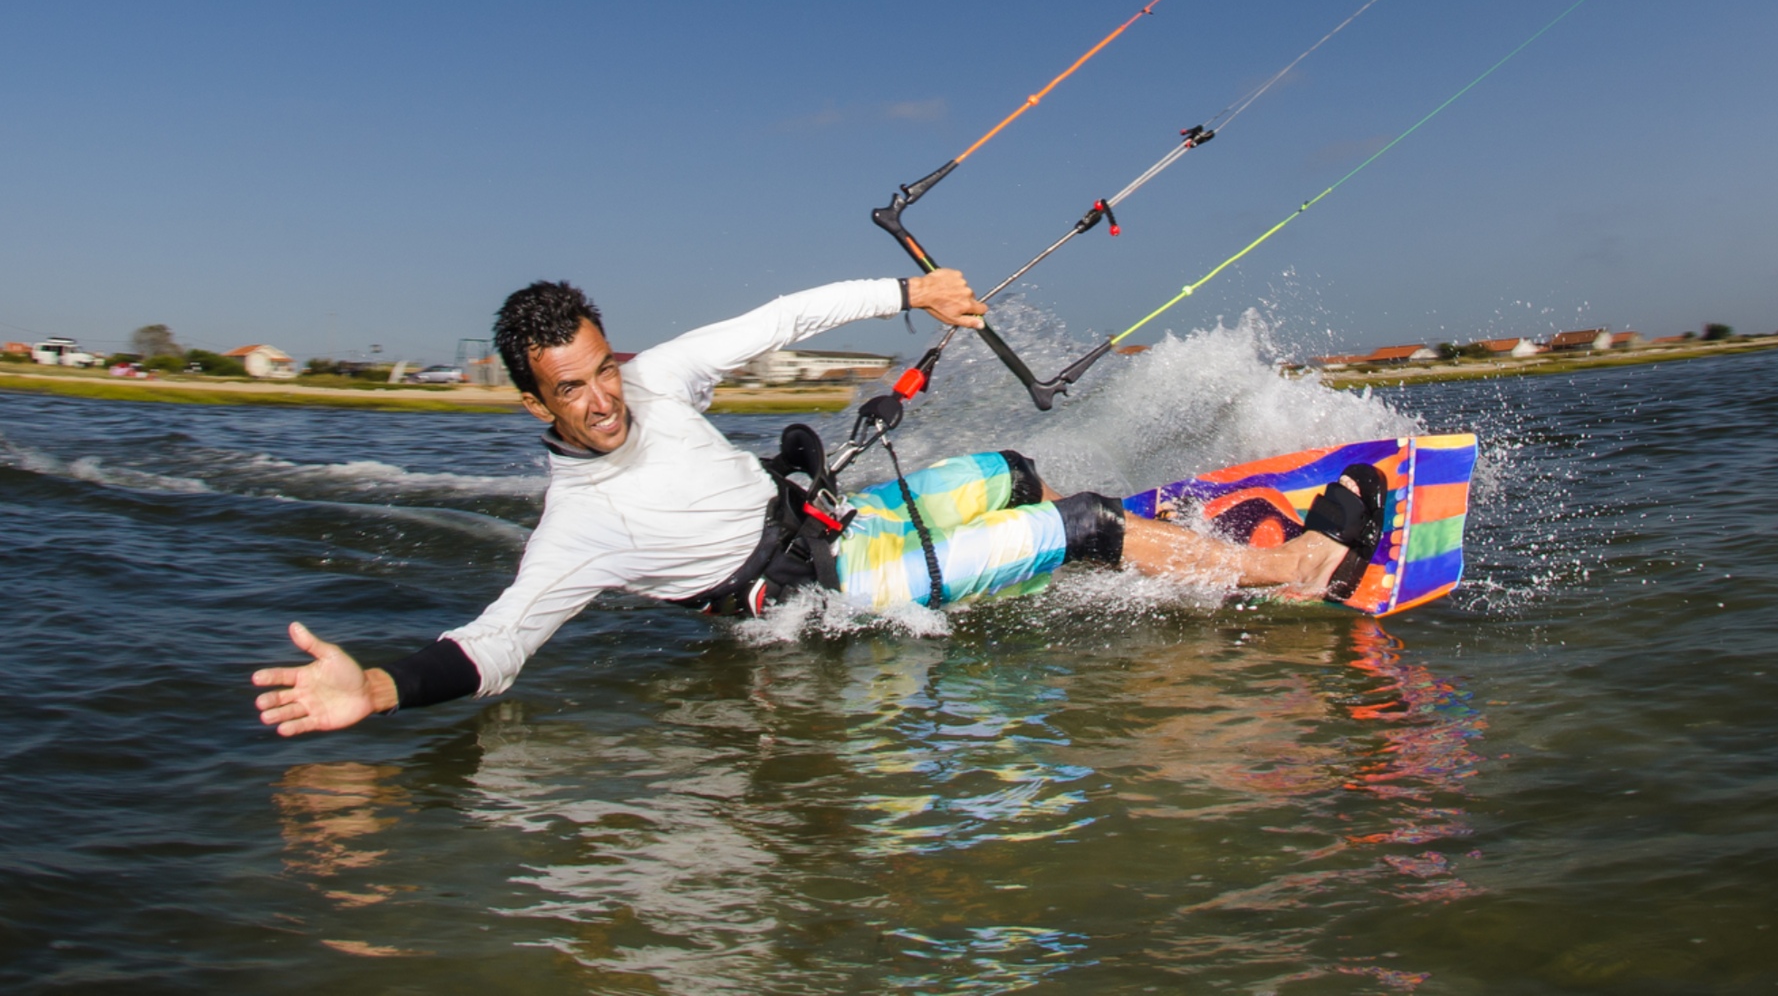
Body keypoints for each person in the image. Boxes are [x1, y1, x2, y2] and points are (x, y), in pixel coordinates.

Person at [253, 270, 1385, 736]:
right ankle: (1297, 570)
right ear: (533, 394)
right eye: (571, 388)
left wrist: (906, 291)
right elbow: (491, 648)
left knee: (1018, 473)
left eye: (603, 368)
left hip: (826, 520)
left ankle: (1168, 549)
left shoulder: (654, 379)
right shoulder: (579, 527)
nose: (603, 400)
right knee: (1082, 523)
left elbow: (780, 319)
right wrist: (384, 684)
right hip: (820, 590)